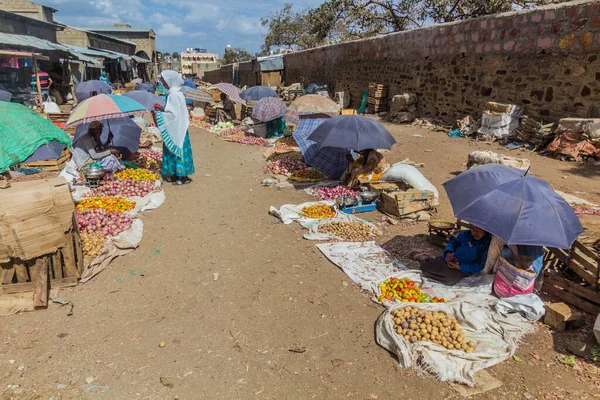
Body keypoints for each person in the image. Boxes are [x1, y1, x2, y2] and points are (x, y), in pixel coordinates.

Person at [152, 70, 195, 185]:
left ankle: (183, 177)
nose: (163, 84)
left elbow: (173, 114)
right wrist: (162, 109)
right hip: (176, 127)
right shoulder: (173, 93)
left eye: (164, 82)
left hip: (178, 129)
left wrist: (160, 113)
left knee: (178, 150)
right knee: (173, 151)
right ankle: (175, 174)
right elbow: (172, 111)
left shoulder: (175, 95)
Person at [411, 225, 491, 286]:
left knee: (449, 280)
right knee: (425, 267)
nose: (475, 232)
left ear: (486, 229)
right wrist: (448, 253)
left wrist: (460, 267)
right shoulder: (465, 234)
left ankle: (431, 263)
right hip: (450, 259)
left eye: (479, 229)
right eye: (472, 228)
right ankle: (425, 258)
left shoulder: (486, 245)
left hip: (463, 269)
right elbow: (453, 243)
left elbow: (480, 265)